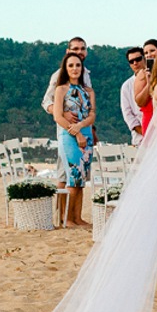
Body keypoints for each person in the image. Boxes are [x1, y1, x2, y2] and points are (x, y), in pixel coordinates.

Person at [53, 51, 96, 227]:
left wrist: (82, 127)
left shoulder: (88, 91)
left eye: (78, 65)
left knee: (82, 179)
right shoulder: (61, 89)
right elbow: (58, 116)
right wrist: (76, 132)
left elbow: (92, 114)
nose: (75, 68)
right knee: (73, 176)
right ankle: (68, 218)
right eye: (71, 65)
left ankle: (77, 217)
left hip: (86, 136)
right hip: (69, 136)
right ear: (65, 68)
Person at [120, 47, 146, 145]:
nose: (135, 63)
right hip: (140, 138)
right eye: (131, 61)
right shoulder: (127, 86)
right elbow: (127, 113)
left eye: (138, 59)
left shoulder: (155, 79)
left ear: (144, 59)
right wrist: (143, 131)